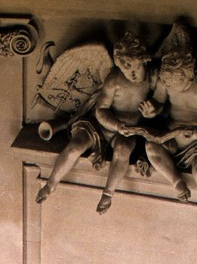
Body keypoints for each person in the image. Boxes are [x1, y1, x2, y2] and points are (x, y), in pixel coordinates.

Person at [36, 32, 157, 216]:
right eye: (125, 70)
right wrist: (116, 125)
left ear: (144, 59)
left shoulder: (153, 78)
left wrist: (154, 110)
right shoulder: (115, 79)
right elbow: (101, 111)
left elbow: (163, 102)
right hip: (102, 125)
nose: (131, 74)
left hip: (129, 131)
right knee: (76, 145)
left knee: (123, 150)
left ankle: (108, 193)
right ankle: (50, 184)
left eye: (134, 67)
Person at [146, 32, 197, 239]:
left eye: (176, 83)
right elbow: (159, 103)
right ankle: (176, 181)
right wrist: (151, 110)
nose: (171, 87)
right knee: (150, 147)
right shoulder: (168, 83)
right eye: (169, 83)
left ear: (188, 76)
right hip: (174, 138)